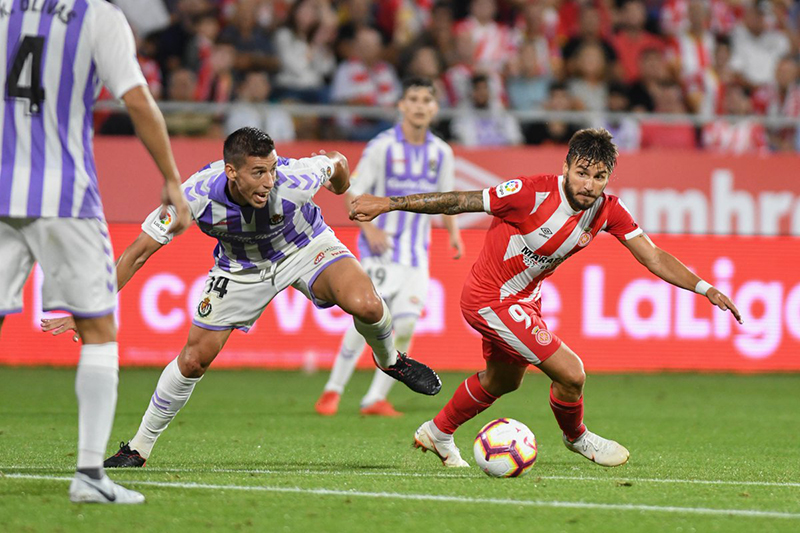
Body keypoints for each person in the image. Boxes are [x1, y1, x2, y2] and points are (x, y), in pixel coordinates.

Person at [42, 127, 442, 469]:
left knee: (368, 305)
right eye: (258, 173)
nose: (268, 182)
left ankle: (390, 360)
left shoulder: (294, 178)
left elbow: (336, 163)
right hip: (240, 268)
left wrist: (343, 188)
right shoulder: (193, 196)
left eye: (271, 170)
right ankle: (138, 448)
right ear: (231, 172)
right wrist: (90, 308)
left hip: (305, 246)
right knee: (194, 359)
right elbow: (137, 253)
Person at [349, 128, 743, 468]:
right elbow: (459, 200)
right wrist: (388, 204)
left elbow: (653, 256)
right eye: (582, 173)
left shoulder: (607, 210)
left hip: (524, 300)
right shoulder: (529, 192)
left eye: (599, 177)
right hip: (490, 298)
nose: (589, 185)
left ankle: (438, 432)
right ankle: (577, 437)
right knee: (572, 373)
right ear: (566, 167)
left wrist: (705, 288)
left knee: (503, 380)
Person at [0, 0, 190, 503]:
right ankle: (88, 475)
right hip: (66, 196)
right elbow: (137, 99)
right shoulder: (97, 17)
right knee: (99, 329)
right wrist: (171, 178)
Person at [315, 78, 463, 418]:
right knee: (368, 319)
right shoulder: (382, 147)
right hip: (380, 252)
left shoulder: (442, 153)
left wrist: (453, 234)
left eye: (427, 100)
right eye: (414, 99)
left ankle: (374, 399)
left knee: (406, 325)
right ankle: (332, 390)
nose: (420, 105)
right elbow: (352, 190)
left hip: (417, 255)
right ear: (402, 105)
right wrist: (369, 229)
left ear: (435, 108)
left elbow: (448, 199)